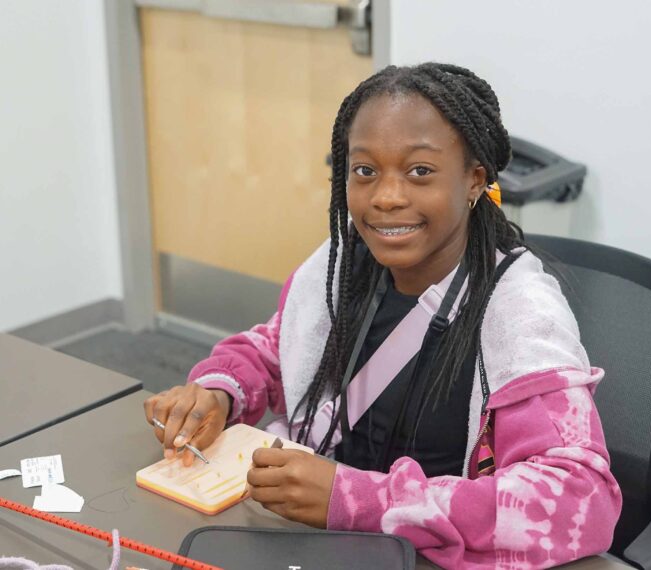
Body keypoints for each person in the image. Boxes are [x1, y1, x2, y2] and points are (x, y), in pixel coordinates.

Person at [143, 63, 622, 569]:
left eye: (420, 172)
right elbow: (273, 348)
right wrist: (217, 393)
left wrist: (358, 501)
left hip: (428, 555)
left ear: (474, 181)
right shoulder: (344, 263)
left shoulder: (518, 310)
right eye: (365, 171)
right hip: (312, 539)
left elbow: (578, 502)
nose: (387, 197)